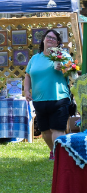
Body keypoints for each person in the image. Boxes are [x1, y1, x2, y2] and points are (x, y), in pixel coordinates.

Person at [24, 29, 71, 160]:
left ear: (58, 43)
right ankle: (53, 152)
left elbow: (72, 72)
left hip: (59, 98)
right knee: (45, 131)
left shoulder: (63, 55)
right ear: (43, 40)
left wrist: (63, 67)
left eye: (54, 38)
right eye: (48, 37)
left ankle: (58, 156)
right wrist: (27, 91)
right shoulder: (35, 58)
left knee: (57, 129)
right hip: (39, 100)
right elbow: (27, 75)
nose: (50, 39)